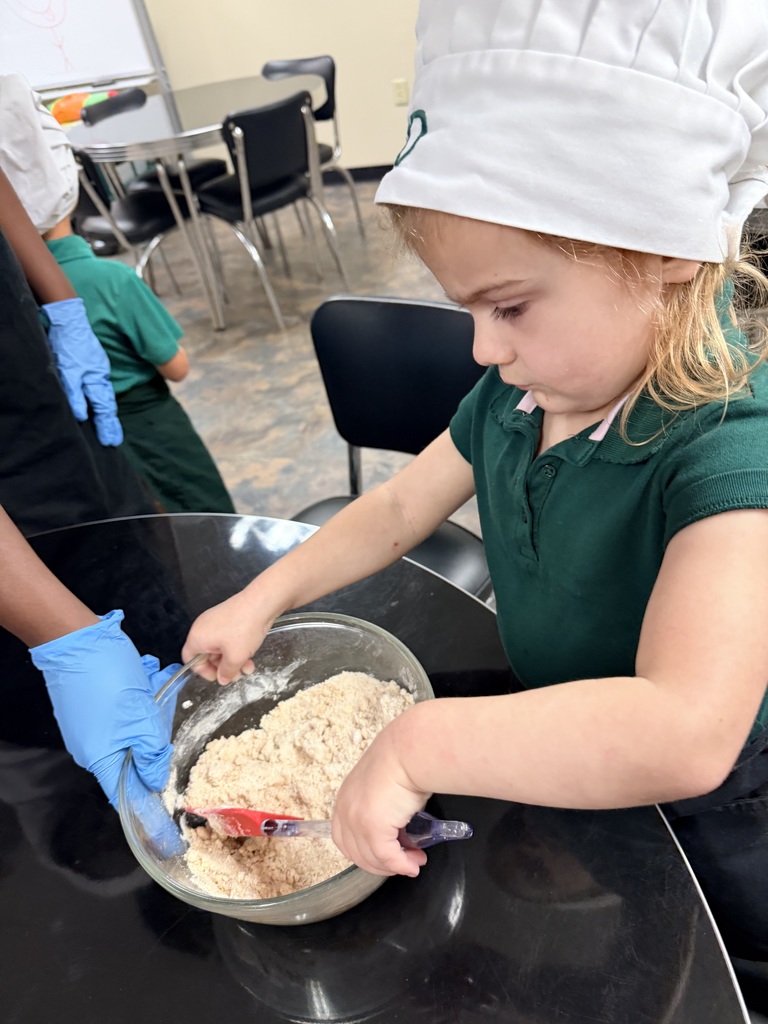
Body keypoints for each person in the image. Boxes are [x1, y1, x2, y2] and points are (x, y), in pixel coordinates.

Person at [181, 0, 768, 972]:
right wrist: (266, 590)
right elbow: (401, 506)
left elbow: (684, 727)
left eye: (510, 305)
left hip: (712, 813)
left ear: (669, 250)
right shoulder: (522, 391)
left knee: (710, 952)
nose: (482, 347)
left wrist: (416, 745)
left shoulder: (727, 453)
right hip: (556, 733)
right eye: (469, 309)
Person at [44, 215, 236, 514]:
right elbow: (176, 368)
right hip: (148, 419)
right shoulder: (113, 279)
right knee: (202, 510)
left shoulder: (18, 296)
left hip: (74, 437)